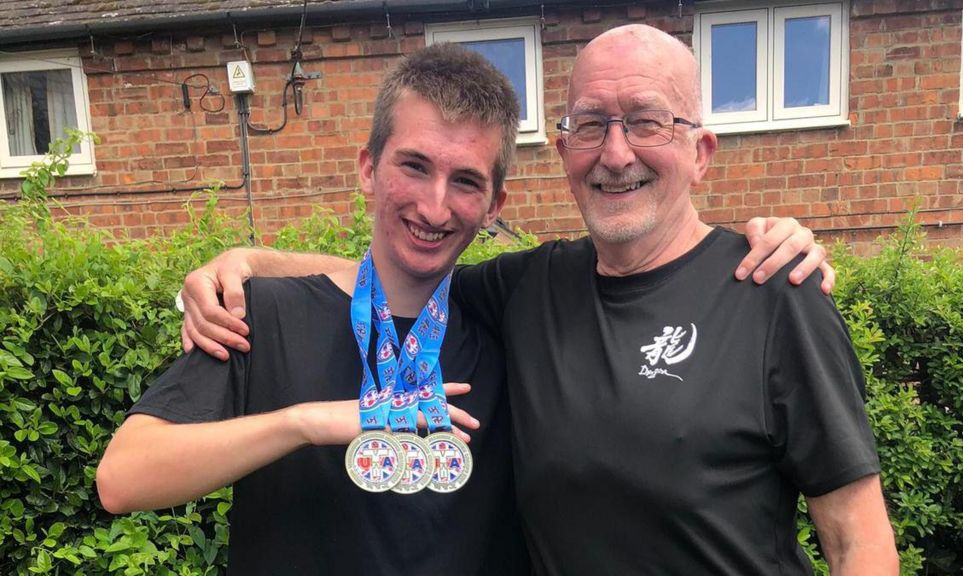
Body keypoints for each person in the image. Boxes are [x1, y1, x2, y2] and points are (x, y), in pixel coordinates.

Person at [178, 27, 892, 575]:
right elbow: (403, 267)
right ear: (562, 151)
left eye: (646, 121)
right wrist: (247, 261)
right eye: (590, 125)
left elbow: (855, 532)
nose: (615, 153)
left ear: (701, 152)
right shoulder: (529, 287)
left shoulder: (773, 291)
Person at [97, 43, 531, 575]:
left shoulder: (512, 320)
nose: (434, 206)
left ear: (494, 206)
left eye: (465, 180)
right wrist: (304, 423)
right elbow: (122, 478)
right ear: (368, 169)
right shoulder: (264, 313)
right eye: (414, 166)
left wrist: (258, 254)